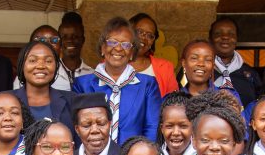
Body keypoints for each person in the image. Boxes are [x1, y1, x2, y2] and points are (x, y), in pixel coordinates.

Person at [73, 16, 162, 145]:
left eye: (125, 44)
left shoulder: (147, 85)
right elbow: (78, 130)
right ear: (103, 48)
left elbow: (152, 129)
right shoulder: (82, 85)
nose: (119, 48)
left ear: (132, 53)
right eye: (112, 42)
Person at [12, 40, 75, 134]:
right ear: (22, 65)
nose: (41, 66)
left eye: (48, 61)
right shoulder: (3, 100)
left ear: (56, 66)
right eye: (33, 60)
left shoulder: (72, 100)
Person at [209, 17, 265, 106]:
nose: (225, 37)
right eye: (218, 33)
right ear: (210, 39)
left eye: (231, 33)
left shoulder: (251, 75)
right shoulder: (202, 71)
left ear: (237, 39)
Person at [129, 13, 179, 96]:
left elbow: (173, 102)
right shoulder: (112, 63)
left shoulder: (165, 67)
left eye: (150, 36)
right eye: (139, 32)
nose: (144, 38)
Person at [12, 26, 72, 91]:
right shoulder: (24, 75)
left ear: (61, 46)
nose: (48, 44)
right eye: (42, 40)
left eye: (54, 40)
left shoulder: (70, 70)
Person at [157, 91, 196, 155]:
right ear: (162, 128)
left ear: (193, 128)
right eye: (169, 126)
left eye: (183, 126)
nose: (176, 133)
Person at [58, 11, 95, 89]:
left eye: (75, 37)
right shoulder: (52, 73)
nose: (70, 41)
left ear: (83, 40)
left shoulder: (92, 75)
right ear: (59, 41)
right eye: (64, 37)